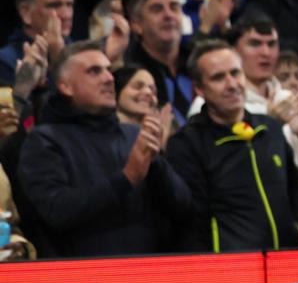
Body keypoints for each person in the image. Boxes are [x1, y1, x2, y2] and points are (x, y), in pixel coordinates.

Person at [15, 42, 185, 258]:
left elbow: (183, 206)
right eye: (94, 71)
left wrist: (155, 159)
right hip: (83, 279)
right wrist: (126, 178)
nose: (108, 78)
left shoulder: (134, 135)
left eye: (108, 70)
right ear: (66, 86)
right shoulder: (44, 141)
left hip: (149, 273)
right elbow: (57, 211)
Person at [167, 40, 298, 252]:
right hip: (232, 274)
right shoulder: (187, 144)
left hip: (286, 266)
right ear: (199, 89)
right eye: (218, 77)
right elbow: (191, 222)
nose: (232, 84)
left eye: (235, 73)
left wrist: (297, 232)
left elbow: (295, 198)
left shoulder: (270, 128)